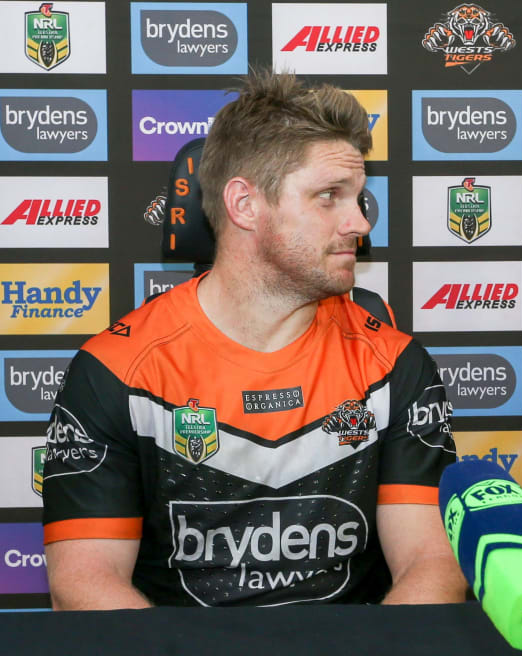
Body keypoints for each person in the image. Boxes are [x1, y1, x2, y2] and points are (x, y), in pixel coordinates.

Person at [41, 69, 466, 609]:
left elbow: (432, 564)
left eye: (358, 197)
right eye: (330, 196)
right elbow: (85, 585)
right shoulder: (116, 369)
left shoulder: (393, 362)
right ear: (244, 204)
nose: (360, 222)